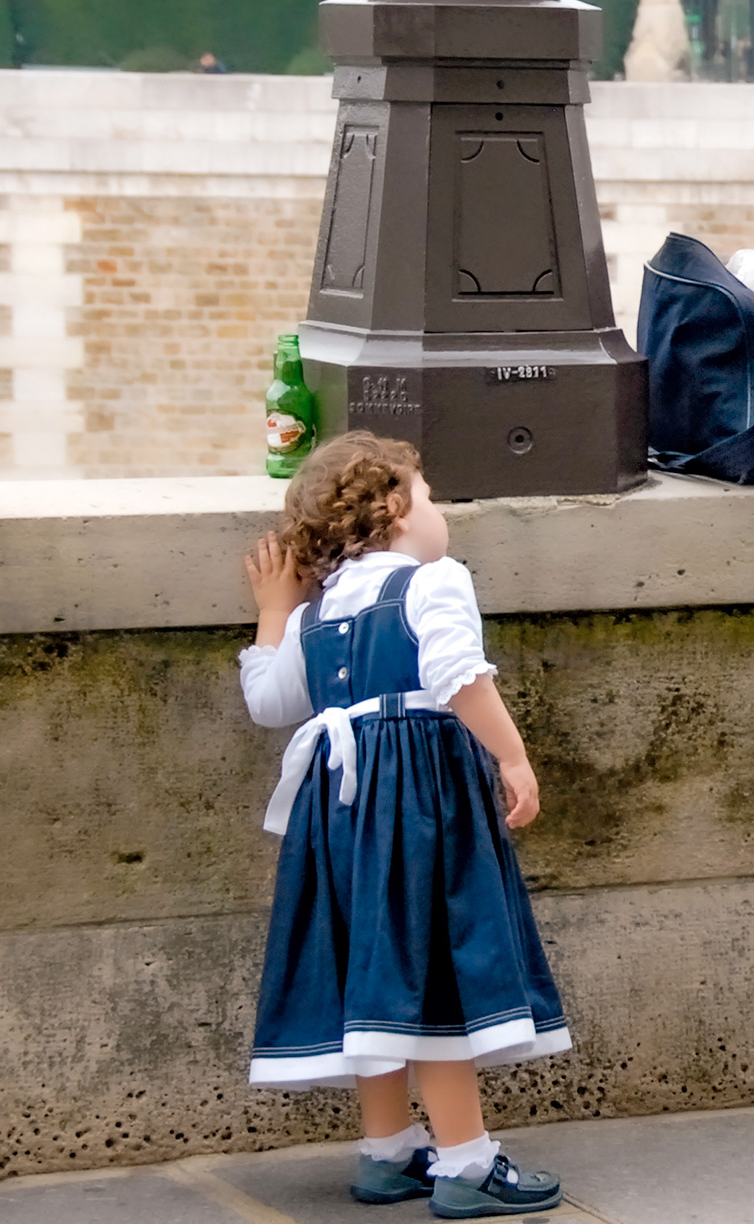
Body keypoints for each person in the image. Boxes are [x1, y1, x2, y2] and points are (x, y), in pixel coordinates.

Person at [240, 432, 571, 1218]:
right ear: (392, 508)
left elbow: (270, 704)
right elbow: (461, 677)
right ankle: (466, 1162)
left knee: (374, 969)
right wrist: (514, 758)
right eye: (428, 495)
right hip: (421, 798)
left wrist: (274, 613)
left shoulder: (318, 613)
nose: (437, 511)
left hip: (340, 809)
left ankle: (387, 1151)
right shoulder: (435, 582)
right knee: (435, 968)